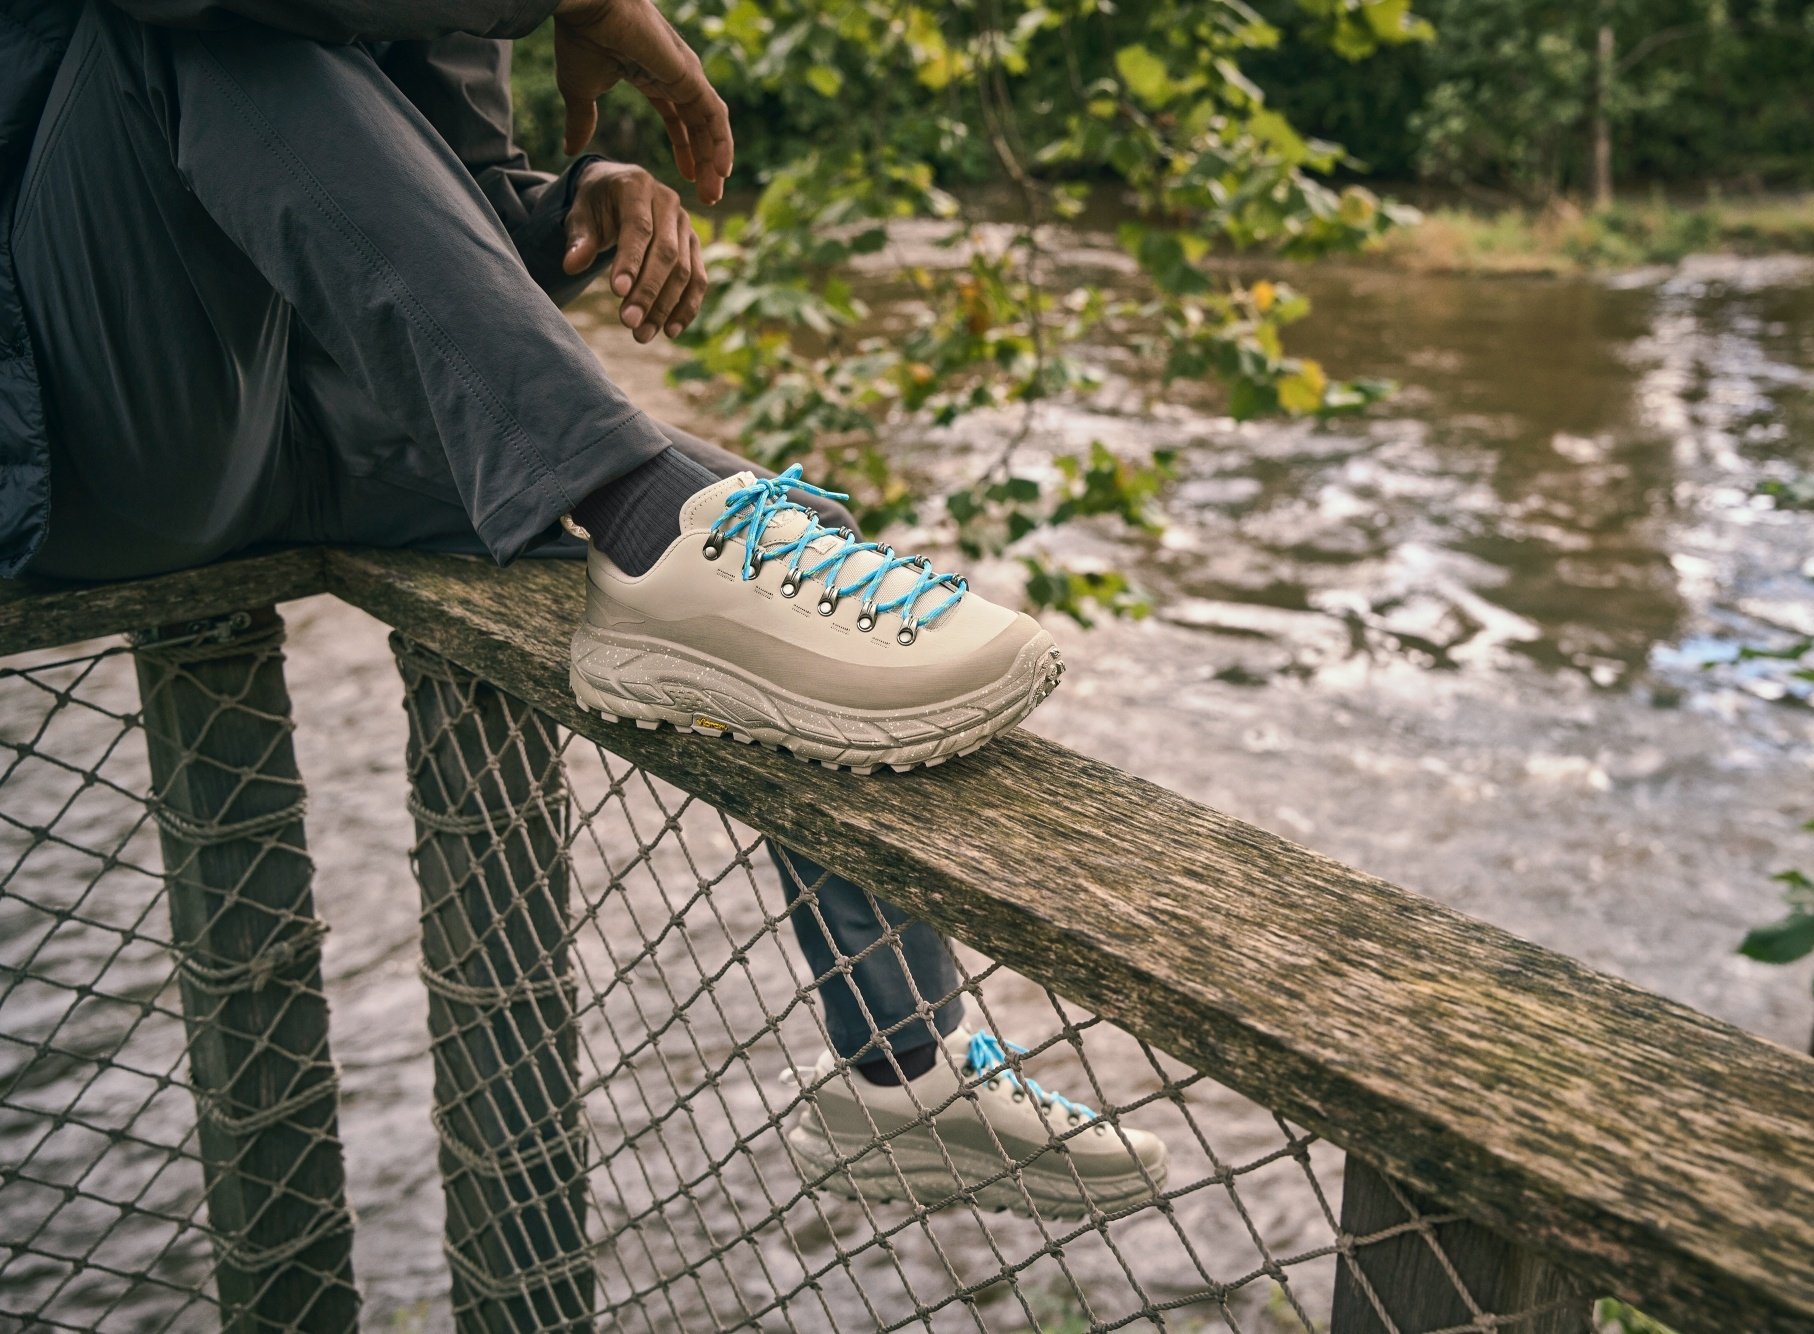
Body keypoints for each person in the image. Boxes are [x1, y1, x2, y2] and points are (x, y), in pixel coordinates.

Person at [0, 0, 1165, 1217]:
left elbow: (415, 195)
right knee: (205, 26)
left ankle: (902, 1071)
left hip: (320, 424)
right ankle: (635, 506)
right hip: (97, 428)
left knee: (779, 542)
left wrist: (575, 199)